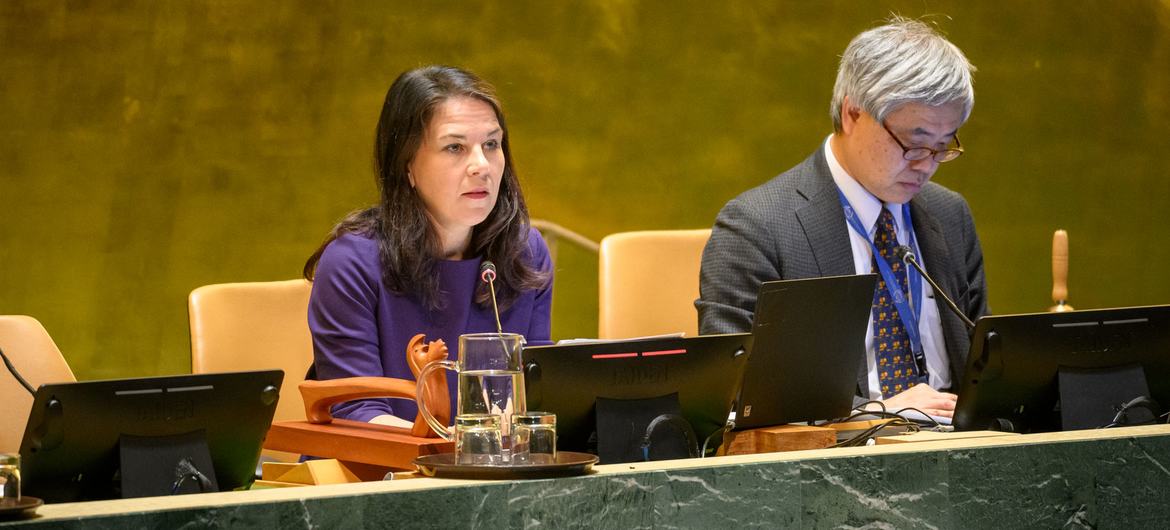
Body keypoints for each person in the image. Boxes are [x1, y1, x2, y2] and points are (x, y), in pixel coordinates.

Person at [697, 17, 988, 418]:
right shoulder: (756, 228)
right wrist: (876, 412)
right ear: (853, 113)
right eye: (915, 143)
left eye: (943, 147)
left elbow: (984, 365)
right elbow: (736, 392)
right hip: (833, 464)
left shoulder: (950, 215)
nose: (927, 165)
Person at [303, 65, 552, 428]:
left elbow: (537, 395)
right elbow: (355, 413)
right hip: (372, 472)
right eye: (455, 147)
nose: (481, 165)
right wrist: (453, 448)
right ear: (408, 166)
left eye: (491, 144)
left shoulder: (524, 252)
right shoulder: (352, 262)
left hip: (492, 474)